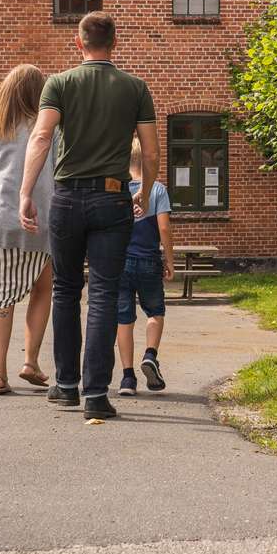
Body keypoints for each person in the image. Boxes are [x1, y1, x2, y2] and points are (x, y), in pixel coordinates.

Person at [20, 11, 159, 421]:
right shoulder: (135, 88)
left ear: (78, 44)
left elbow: (42, 136)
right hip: (112, 199)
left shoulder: (59, 84)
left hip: (65, 199)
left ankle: (65, 387)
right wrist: (145, 193)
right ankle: (96, 394)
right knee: (103, 294)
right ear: (114, 44)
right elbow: (150, 152)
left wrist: (25, 192)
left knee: (65, 290)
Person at [0, 64, 56, 395]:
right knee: (43, 287)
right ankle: (30, 361)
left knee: (1, 298)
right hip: (38, 220)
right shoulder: (49, 128)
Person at [116, 137, 174, 396]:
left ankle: (127, 378)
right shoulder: (158, 190)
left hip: (121, 262)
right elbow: (164, 227)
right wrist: (169, 260)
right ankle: (150, 354)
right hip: (149, 260)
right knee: (155, 312)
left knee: (124, 319)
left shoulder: (119, 189)